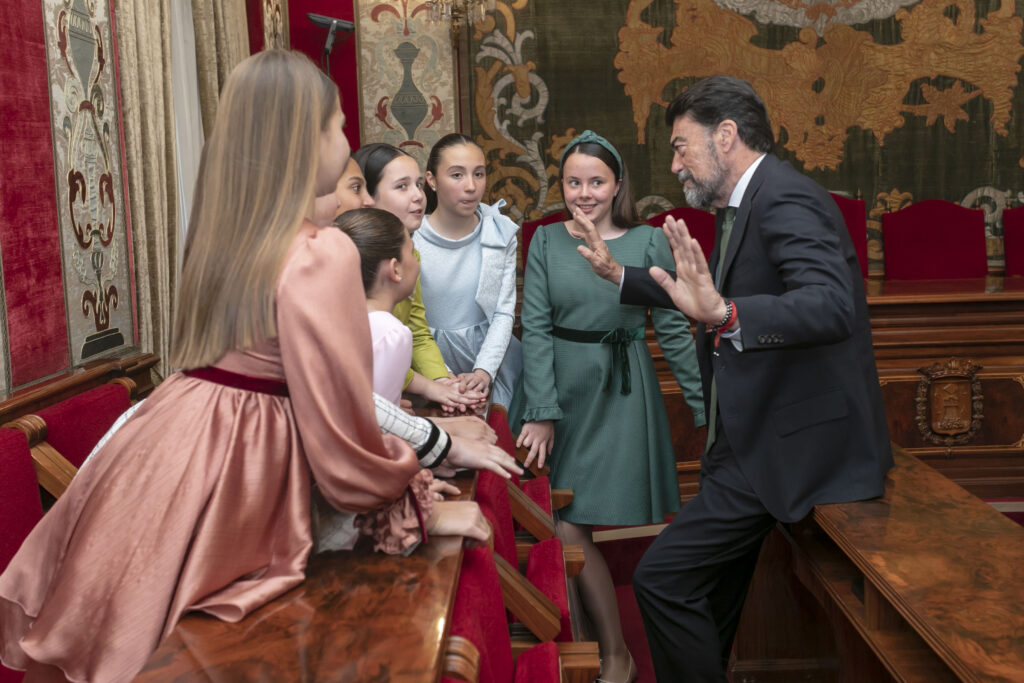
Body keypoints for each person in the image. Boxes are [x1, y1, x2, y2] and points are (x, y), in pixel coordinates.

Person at [0, 50, 491, 683]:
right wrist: (415, 504)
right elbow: (341, 439)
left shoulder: (224, 240)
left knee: (138, 629)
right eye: (339, 126)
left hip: (158, 449)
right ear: (305, 138)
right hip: (238, 464)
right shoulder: (323, 251)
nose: (346, 145)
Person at [575, 75, 892, 682]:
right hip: (747, 436)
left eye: (680, 146)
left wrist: (725, 315)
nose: (674, 165)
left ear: (725, 136)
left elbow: (831, 305)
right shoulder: (746, 201)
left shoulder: (786, 198)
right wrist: (621, 276)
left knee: (661, 579)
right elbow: (703, 296)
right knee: (707, 596)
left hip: (792, 443)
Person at [509, 130, 705, 683]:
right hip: (556, 392)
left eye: (596, 182)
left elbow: (673, 330)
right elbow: (535, 327)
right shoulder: (546, 241)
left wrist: (705, 407)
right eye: (573, 182)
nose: (584, 193)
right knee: (557, 524)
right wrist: (541, 409)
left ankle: (615, 654)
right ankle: (590, 647)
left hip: (619, 392)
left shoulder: (647, 241)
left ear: (618, 185)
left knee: (573, 523)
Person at [353, 142, 485, 413]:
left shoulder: (410, 253)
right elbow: (364, 351)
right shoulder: (350, 258)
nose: (418, 196)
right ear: (369, 196)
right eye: (402, 186)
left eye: (418, 185)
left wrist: (443, 381)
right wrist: (427, 387)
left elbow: (417, 330)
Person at [415, 133, 522, 409]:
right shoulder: (411, 237)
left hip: (494, 361)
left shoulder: (499, 232)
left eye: (479, 174)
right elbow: (408, 321)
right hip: (429, 363)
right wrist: (441, 376)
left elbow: (503, 311)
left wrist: (484, 371)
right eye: (457, 175)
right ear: (432, 180)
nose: (471, 186)